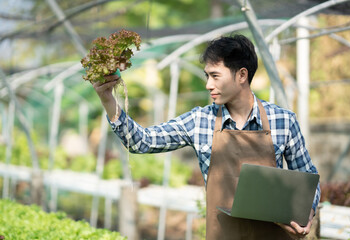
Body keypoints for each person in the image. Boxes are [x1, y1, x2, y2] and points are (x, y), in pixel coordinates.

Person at [92, 34, 320, 239]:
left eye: (215, 76)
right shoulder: (199, 121)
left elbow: (308, 176)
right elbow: (142, 142)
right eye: (206, 76)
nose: (208, 84)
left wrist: (307, 211)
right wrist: (108, 101)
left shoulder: (284, 121)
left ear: (242, 75)